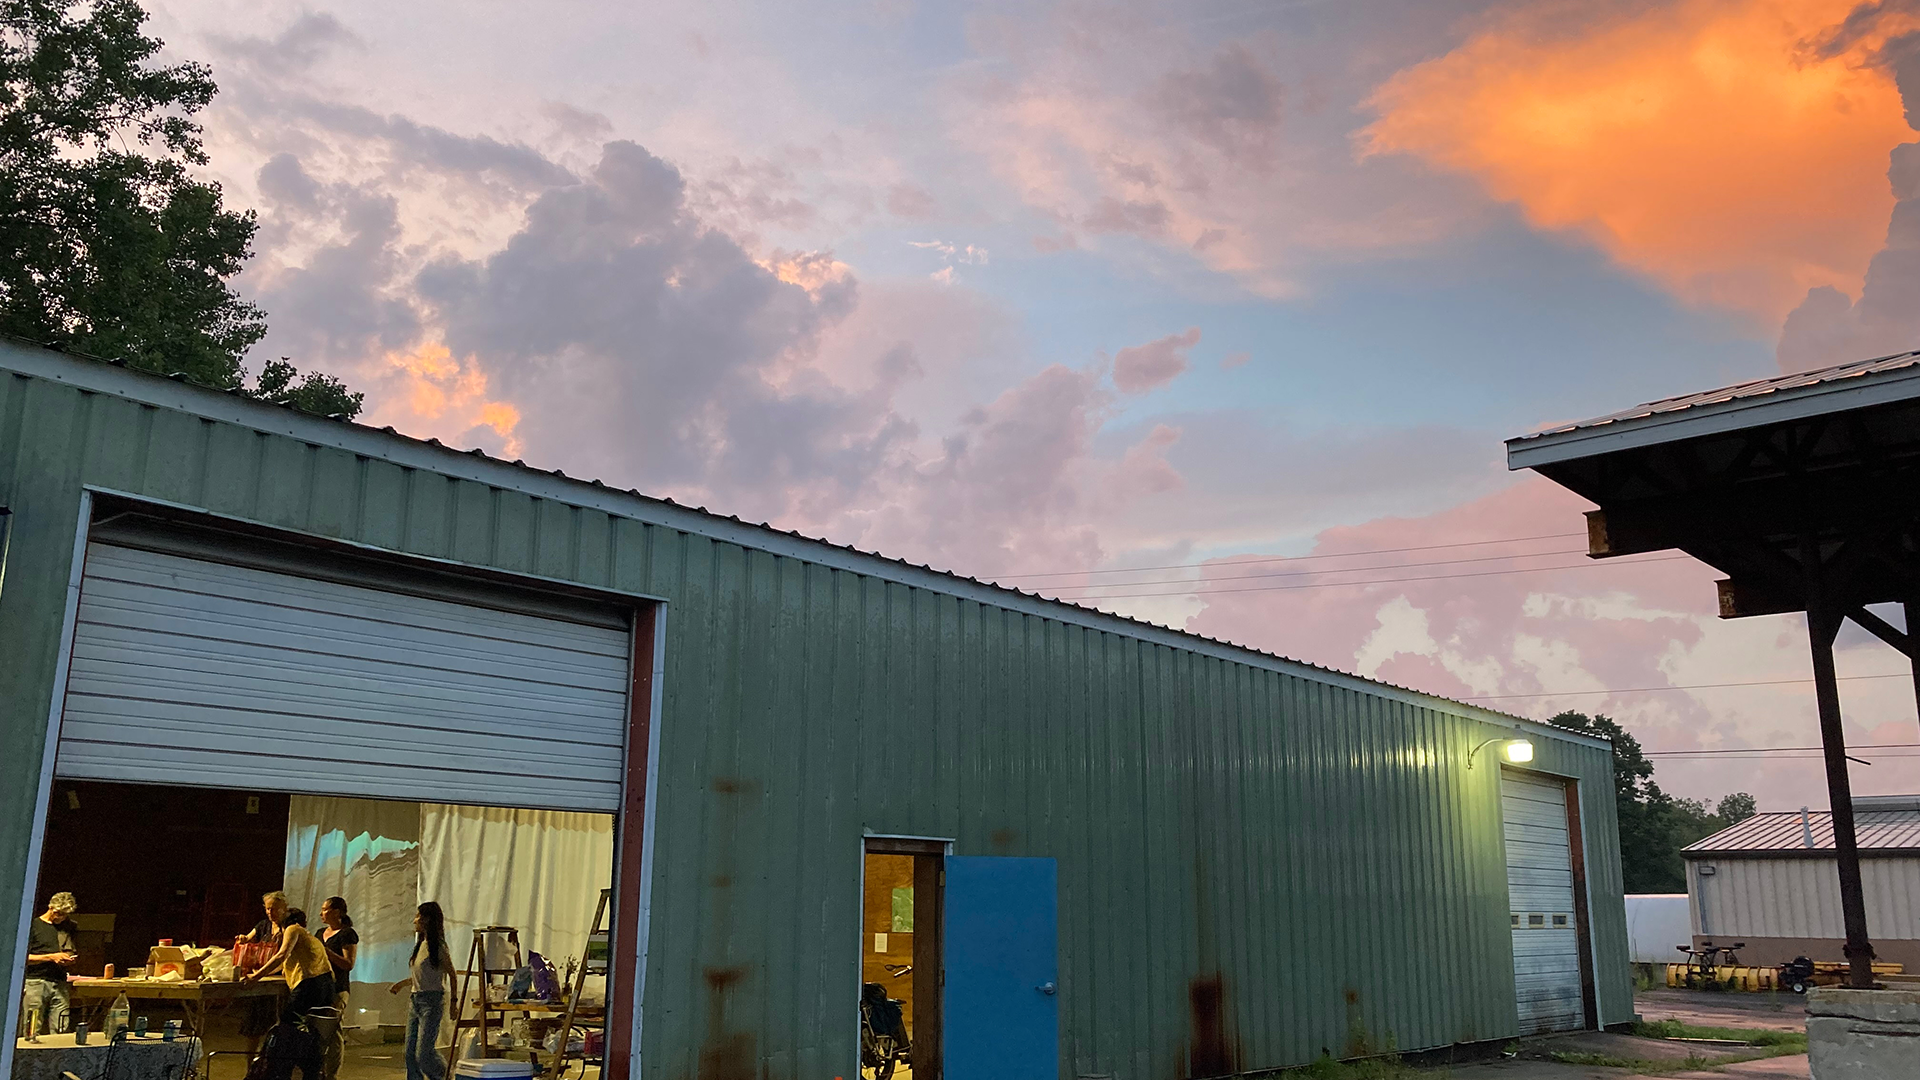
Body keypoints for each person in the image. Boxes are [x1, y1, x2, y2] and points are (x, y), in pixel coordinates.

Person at [389, 903, 449, 1080]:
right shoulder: (420, 944)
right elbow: (421, 976)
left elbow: (451, 973)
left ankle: (442, 1074)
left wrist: (453, 1002)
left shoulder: (437, 946)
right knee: (410, 1053)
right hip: (415, 1000)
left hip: (431, 1001)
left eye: (418, 916)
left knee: (423, 1053)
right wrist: (401, 984)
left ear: (427, 919)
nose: (415, 920)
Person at [237, 890, 290, 1055]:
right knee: (253, 1024)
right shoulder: (263, 926)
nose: (270, 912)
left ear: (284, 908)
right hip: (260, 979)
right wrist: (243, 939)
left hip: (279, 981)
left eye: (274, 909)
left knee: (274, 1024)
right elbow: (248, 937)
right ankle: (251, 1063)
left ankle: (269, 1060)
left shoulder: (289, 928)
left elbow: (284, 955)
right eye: (267, 909)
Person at [23, 892, 78, 1035]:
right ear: (50, 907)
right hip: (35, 982)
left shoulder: (68, 927)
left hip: (60, 981)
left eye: (65, 915)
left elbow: (69, 949)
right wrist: (51, 957)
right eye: (59, 914)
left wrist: (68, 959)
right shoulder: (33, 926)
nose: (61, 918)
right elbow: (22, 958)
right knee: (32, 1028)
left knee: (61, 1027)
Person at [316, 897, 358, 1080]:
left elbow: (348, 964)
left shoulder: (347, 934)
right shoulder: (320, 933)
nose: (321, 913)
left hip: (337, 988)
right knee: (317, 1031)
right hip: (319, 988)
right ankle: (317, 1070)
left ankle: (332, 1074)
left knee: (333, 1031)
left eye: (325, 909)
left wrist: (327, 953)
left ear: (336, 912)